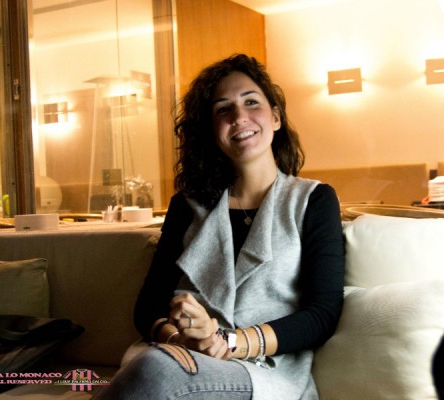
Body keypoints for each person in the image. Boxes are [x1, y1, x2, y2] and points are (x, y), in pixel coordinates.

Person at [95, 54, 345, 400]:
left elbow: (322, 314)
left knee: (153, 371)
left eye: (251, 102)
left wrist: (227, 341)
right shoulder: (187, 206)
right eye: (223, 109)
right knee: (152, 367)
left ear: (275, 117)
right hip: (180, 357)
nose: (239, 117)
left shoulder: (313, 200)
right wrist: (181, 339)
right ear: (212, 131)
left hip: (264, 370)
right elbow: (149, 306)